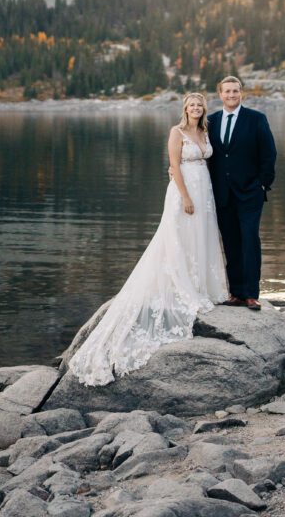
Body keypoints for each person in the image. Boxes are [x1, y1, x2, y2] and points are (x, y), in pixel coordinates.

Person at [69, 92, 228, 386]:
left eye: (199, 105)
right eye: (191, 105)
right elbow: (175, 165)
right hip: (184, 191)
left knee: (200, 238)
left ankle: (200, 284)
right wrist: (185, 196)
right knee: (178, 238)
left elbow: (208, 161)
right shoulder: (176, 132)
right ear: (185, 108)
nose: (195, 108)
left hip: (205, 189)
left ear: (204, 109)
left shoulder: (205, 131)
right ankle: (179, 285)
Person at [207, 75, 276, 311]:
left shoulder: (256, 119)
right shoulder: (211, 121)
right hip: (222, 194)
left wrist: (262, 185)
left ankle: (251, 294)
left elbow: (269, 154)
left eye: (235, 91)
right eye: (227, 91)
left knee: (250, 240)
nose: (231, 95)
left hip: (250, 193)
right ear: (220, 94)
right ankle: (235, 292)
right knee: (231, 242)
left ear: (241, 93)